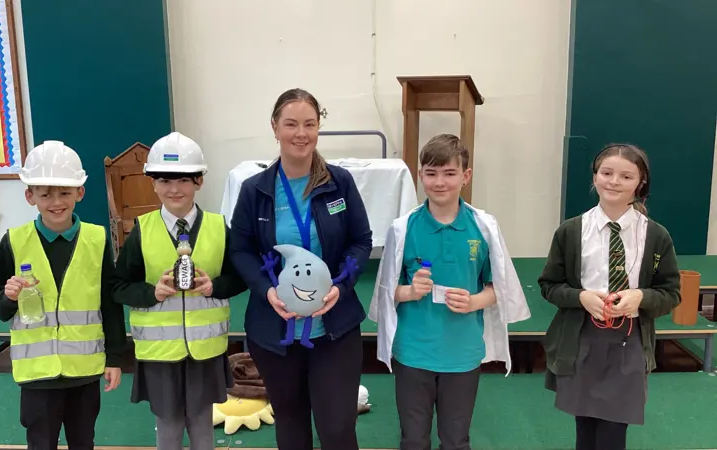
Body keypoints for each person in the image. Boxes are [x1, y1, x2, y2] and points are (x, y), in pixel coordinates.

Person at [228, 88, 373, 450]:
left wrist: (342, 284)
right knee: (291, 427)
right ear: (275, 128)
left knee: (338, 429)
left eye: (309, 124)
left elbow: (361, 241)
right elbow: (241, 250)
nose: (300, 133)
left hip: (334, 329)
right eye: (291, 123)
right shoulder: (255, 190)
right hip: (275, 333)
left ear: (319, 128)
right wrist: (267, 291)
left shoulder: (339, 183)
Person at [368, 134, 530, 450]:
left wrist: (474, 301)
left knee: (456, 440)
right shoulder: (403, 228)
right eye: (430, 173)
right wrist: (409, 291)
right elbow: (386, 292)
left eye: (449, 173)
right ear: (420, 176)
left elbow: (500, 286)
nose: (439, 182)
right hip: (413, 353)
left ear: (466, 176)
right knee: (413, 440)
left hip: (462, 354)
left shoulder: (483, 226)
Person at [538, 144, 681, 450]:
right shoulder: (571, 231)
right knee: (585, 427)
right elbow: (550, 285)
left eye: (626, 176)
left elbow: (671, 293)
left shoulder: (656, 236)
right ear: (594, 177)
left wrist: (640, 297)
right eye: (606, 173)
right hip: (582, 340)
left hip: (629, 346)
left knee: (614, 432)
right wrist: (581, 297)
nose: (614, 181)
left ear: (640, 183)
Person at [0, 141, 126, 450]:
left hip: (84, 371)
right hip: (37, 375)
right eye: (45, 193)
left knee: (83, 442)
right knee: (41, 443)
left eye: (64, 192)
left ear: (80, 193)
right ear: (30, 196)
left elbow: (110, 304)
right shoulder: (14, 241)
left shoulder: (97, 239)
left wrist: (114, 358)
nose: (55, 202)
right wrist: (8, 297)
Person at [113, 132, 246, 450]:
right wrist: (151, 293)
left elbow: (240, 277)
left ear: (199, 181)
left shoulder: (218, 227)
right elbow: (117, 286)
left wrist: (215, 286)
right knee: (168, 425)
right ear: (153, 183)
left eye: (184, 179)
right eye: (164, 180)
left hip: (206, 351)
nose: (174, 189)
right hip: (160, 355)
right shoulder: (141, 231)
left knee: (202, 422)